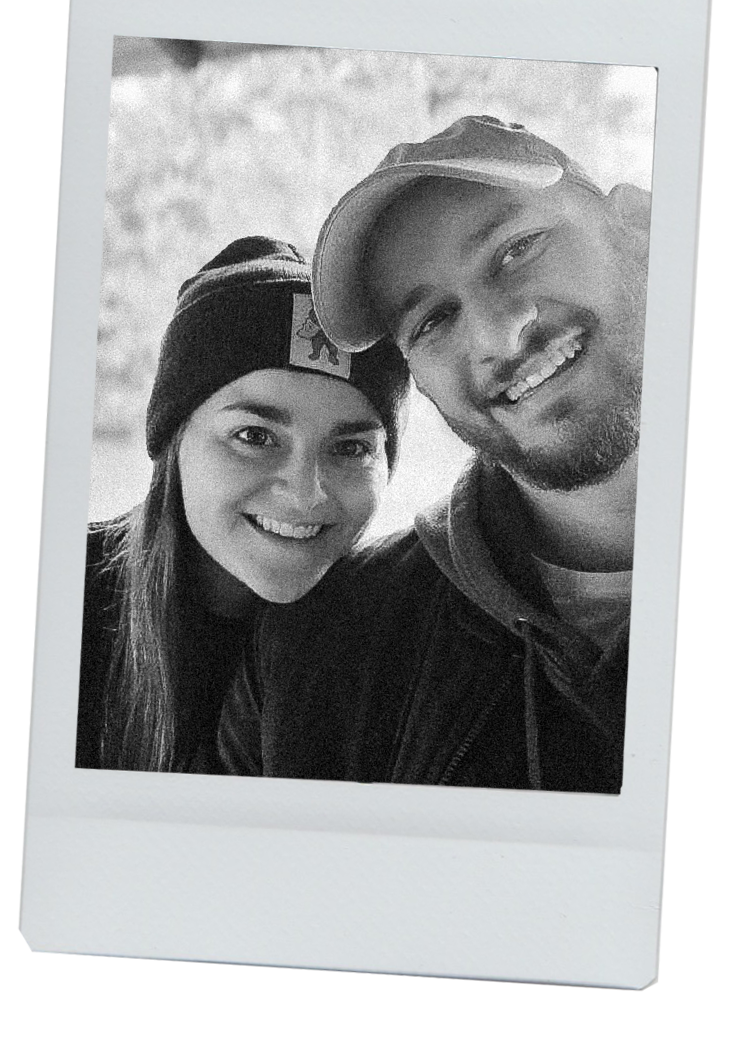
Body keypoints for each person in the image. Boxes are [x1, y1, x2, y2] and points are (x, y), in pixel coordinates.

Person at [217, 116, 651, 793]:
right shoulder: (318, 657)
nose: (501, 336)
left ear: (640, 229)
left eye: (518, 250)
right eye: (434, 320)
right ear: (417, 377)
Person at [76, 235, 410, 774]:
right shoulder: (64, 604)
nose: (306, 493)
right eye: (255, 436)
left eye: (351, 448)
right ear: (173, 440)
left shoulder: (395, 647)